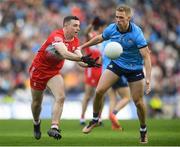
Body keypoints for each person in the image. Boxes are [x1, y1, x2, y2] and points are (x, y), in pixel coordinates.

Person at [79, 5, 151, 144]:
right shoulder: (112, 28)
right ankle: (95, 120)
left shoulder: (137, 33)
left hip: (135, 68)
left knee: (139, 102)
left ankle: (143, 130)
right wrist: (83, 46)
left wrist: (148, 78)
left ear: (129, 18)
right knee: (99, 91)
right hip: (117, 64)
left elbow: (146, 57)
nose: (118, 20)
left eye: (121, 18)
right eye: (116, 17)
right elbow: (99, 38)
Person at [29, 16, 100, 140]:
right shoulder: (56, 36)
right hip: (38, 71)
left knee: (61, 97)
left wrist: (89, 64)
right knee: (36, 103)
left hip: (53, 73)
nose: (78, 28)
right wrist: (82, 58)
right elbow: (64, 53)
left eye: (78, 25)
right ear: (66, 26)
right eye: (75, 25)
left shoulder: (76, 41)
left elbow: (80, 61)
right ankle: (36, 123)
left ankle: (54, 127)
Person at [80, 17, 106, 125]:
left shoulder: (106, 39)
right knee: (88, 94)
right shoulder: (92, 36)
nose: (105, 29)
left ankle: (99, 117)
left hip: (102, 69)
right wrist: (91, 23)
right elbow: (86, 33)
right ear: (100, 27)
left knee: (102, 95)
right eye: (104, 27)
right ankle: (82, 117)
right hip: (91, 68)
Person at [101, 41, 131, 130]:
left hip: (105, 72)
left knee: (112, 99)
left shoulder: (104, 43)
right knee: (126, 97)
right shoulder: (118, 42)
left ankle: (114, 124)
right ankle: (113, 114)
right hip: (116, 71)